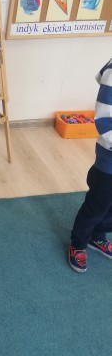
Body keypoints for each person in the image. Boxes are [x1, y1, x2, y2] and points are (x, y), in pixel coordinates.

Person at [68, 57, 112, 273]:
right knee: (97, 205)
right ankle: (78, 243)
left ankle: (97, 235)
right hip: (109, 161)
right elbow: (104, 119)